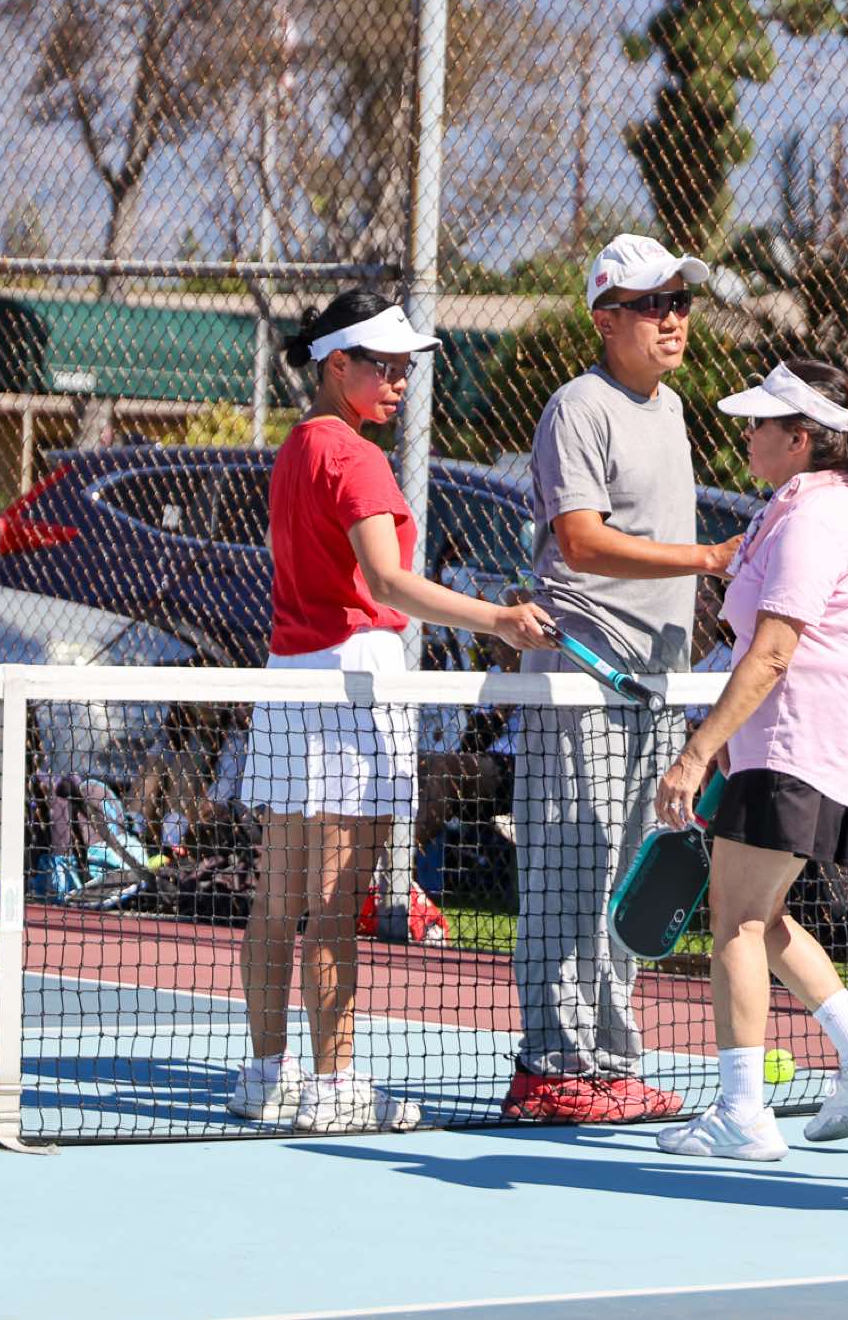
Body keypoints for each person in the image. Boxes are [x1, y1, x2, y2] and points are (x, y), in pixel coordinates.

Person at [226, 291, 554, 1134]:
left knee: (278, 900)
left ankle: (266, 1077)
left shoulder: (297, 447)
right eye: (385, 364)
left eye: (407, 366)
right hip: (351, 685)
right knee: (334, 905)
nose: (401, 380)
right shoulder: (357, 458)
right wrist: (498, 619)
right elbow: (387, 582)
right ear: (337, 363)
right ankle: (333, 1086)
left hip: (290, 680)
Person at [651, 359, 848, 1160]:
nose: (747, 433)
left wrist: (696, 753)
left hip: (794, 752)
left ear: (799, 438)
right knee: (760, 918)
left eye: (761, 423)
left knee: (733, 922)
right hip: (802, 752)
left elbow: (772, 653)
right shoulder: (800, 511)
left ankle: (742, 1113)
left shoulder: (813, 522)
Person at [505, 234, 741, 1124]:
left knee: (631, 878)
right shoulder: (578, 408)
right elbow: (580, 541)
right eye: (651, 304)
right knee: (573, 866)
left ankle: (607, 1061)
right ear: (606, 319)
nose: (672, 319)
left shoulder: (671, 409)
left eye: (680, 301)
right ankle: (551, 1065)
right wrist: (704, 557)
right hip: (584, 677)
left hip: (655, 686)